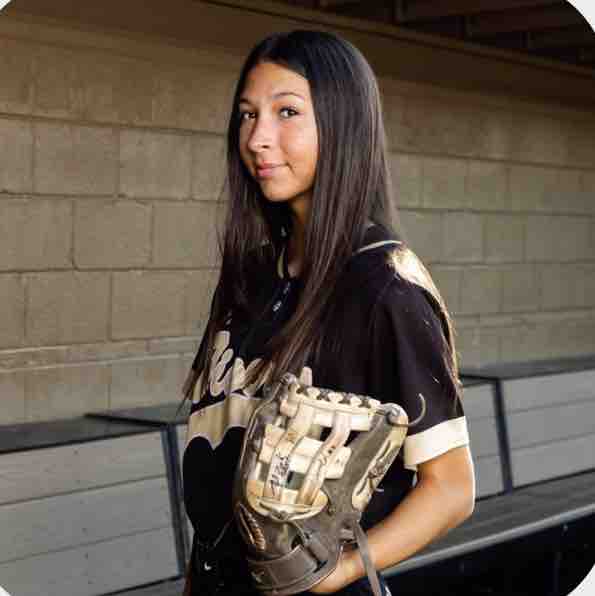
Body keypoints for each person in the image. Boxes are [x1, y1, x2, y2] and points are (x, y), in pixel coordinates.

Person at [180, 30, 475, 596]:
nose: (257, 138)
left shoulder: (386, 285)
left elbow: (452, 488)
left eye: (287, 112)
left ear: (345, 126)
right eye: (247, 115)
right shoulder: (253, 274)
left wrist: (340, 572)